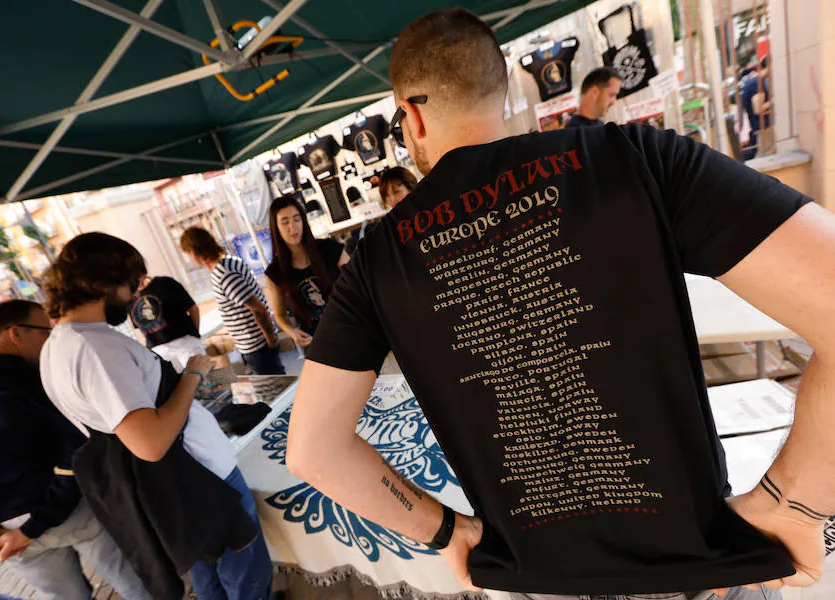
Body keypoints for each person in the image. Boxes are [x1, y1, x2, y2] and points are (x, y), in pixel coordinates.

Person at [287, 8, 833, 600]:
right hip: (701, 571)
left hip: (539, 581)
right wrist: (793, 504)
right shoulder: (633, 159)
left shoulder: (377, 259)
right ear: (504, 95)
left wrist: (441, 530)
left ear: (412, 115)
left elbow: (314, 450)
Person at [39, 232, 274, 600]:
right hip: (200, 474)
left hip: (174, 482)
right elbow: (149, 441)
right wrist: (192, 375)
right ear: (101, 281)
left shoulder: (59, 345)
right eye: (131, 284)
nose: (135, 295)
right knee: (244, 571)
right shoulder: (96, 348)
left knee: (208, 573)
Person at [0, 300, 148, 600]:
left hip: (6, 537)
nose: (51, 340)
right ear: (16, 333)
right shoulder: (37, 383)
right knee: (133, 583)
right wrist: (35, 525)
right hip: (70, 513)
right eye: (45, 331)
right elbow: (76, 453)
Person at [180, 227, 285, 375]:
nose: (190, 260)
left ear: (195, 251)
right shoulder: (230, 262)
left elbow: (257, 308)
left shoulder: (223, 274)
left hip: (258, 347)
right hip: (255, 346)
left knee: (274, 389)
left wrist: (271, 339)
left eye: (188, 254)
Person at [265, 195, 348, 349]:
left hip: (350, 331)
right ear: (276, 227)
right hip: (316, 345)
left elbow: (358, 281)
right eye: (285, 222)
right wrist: (293, 332)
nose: (293, 227)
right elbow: (280, 314)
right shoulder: (275, 272)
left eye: (297, 219)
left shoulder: (329, 248)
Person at [128, 274, 204, 372]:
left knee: (202, 380)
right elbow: (138, 331)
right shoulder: (130, 299)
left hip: (185, 344)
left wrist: (194, 337)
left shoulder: (165, 283)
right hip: (160, 353)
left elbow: (193, 309)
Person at [741, 56, 773, 161]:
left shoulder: (753, 82)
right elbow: (758, 109)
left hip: (757, 128)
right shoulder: (758, 83)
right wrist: (773, 102)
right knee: (766, 158)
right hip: (762, 129)